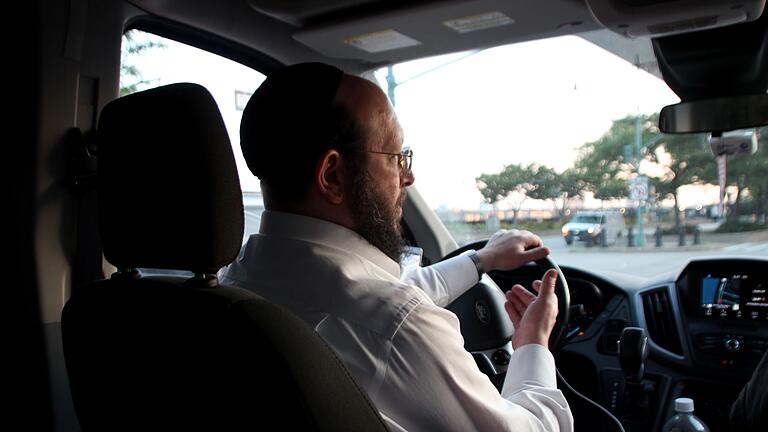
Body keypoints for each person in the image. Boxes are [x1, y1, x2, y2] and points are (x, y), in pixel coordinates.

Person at [219, 62, 573, 431]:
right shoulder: (398, 329)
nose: (408, 176)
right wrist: (532, 344)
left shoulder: (237, 281)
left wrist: (482, 259)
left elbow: (375, 300)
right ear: (333, 175)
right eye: (396, 157)